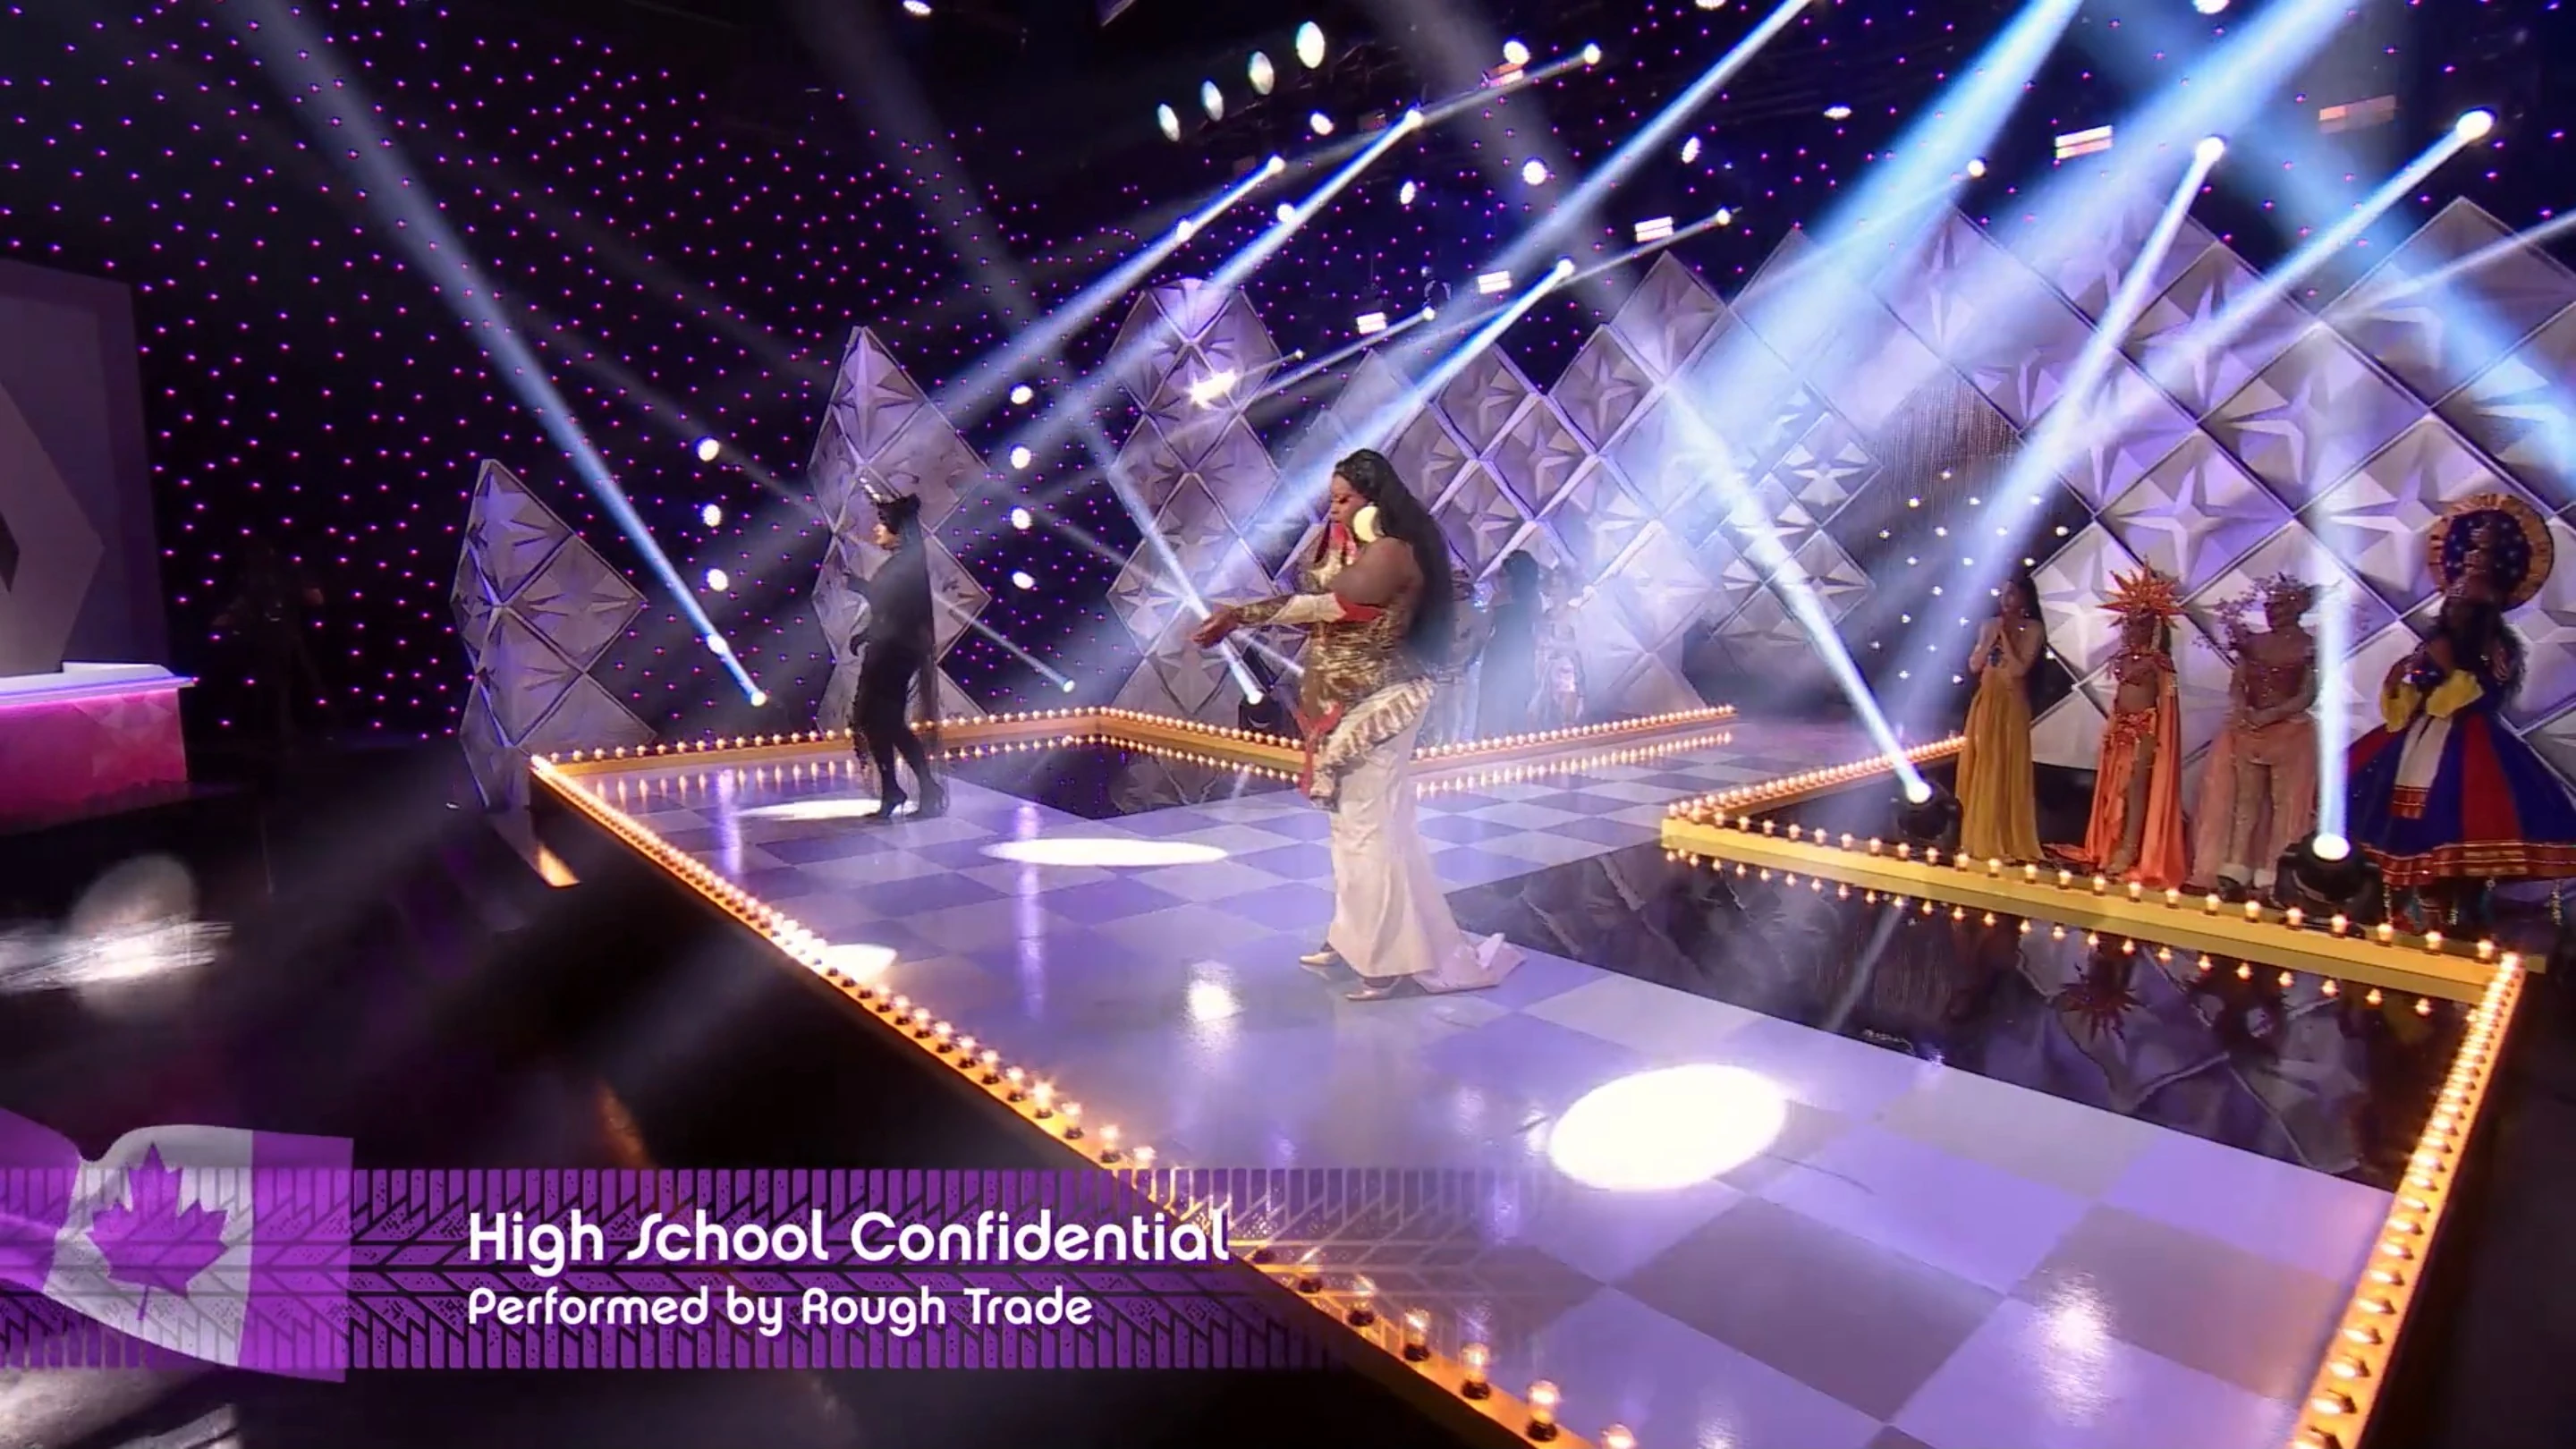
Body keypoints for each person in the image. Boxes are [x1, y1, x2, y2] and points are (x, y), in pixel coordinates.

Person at [1193, 449, 1520, 1001]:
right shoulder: (1352, 544)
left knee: (1370, 833)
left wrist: (1243, 614)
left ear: (1375, 501)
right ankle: (1355, 942)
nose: (1334, 510)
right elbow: (1322, 590)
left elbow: (1333, 603)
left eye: (1345, 500)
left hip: (1381, 705)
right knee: (1357, 833)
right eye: (1332, 500)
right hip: (1342, 705)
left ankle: (1387, 961)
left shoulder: (1393, 551)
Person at [2347, 492, 2576, 930]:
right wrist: (2401, 681)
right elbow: (2408, 701)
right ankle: (2406, 911)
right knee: (2392, 821)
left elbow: (2483, 694)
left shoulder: (2495, 647)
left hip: (2466, 745)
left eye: (2464, 606)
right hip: (2414, 739)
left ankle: (2455, 917)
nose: (2453, 610)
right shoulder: (2432, 643)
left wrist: (2451, 668)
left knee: (2455, 825)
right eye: (2451, 604)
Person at [2191, 575, 2318, 896]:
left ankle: (2275, 872)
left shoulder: (2309, 646)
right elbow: (2238, 683)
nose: (2272, 612)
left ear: (2297, 608)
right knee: (2245, 802)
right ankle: (2235, 867)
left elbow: (2308, 693)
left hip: (2289, 733)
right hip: (2249, 729)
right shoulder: (2254, 643)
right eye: (2269, 606)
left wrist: (2272, 715)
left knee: (2284, 804)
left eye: (2280, 606)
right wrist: (2245, 710)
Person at [2063, 566, 2188, 887]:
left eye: (2139, 624)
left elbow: (2169, 705)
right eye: (2129, 623)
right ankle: (2110, 846)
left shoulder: (2161, 665)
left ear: (2154, 627)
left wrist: (2155, 738)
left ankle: (2130, 850)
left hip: (2145, 733)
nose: (2132, 630)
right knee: (2114, 788)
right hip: (2120, 731)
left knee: (2135, 789)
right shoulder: (2124, 658)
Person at [852, 493, 945, 820]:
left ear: (898, 529)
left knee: (882, 720)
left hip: (897, 651)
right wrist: (866, 633)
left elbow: (895, 607)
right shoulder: (901, 562)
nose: (876, 529)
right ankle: (898, 789)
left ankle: (917, 788)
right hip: (887, 647)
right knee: (876, 720)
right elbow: (889, 611)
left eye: (883, 523)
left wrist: (862, 588)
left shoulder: (907, 564)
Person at [1956, 573, 2044, 863]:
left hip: (2012, 705)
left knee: (2004, 766)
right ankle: (1976, 834)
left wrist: (2006, 636)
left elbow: (2018, 669)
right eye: (2003, 593)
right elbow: (1974, 664)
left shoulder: (2033, 629)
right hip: (1987, 702)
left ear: (2025, 598)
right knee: (1983, 763)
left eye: (2012, 594)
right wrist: (1990, 638)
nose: (2005, 600)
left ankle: (2003, 838)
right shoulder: (1988, 624)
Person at [213, 535, 327, 750]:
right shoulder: (252, 579)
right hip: (265, 639)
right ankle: (279, 732)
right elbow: (243, 604)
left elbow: (315, 599)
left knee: (297, 681)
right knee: (275, 685)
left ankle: (306, 727)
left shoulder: (288, 575)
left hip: (286, 636)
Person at [1478, 552, 1542, 737]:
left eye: (1504, 575)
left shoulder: (1532, 599)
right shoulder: (1497, 598)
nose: (1500, 580)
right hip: (1497, 656)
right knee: (1493, 703)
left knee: (1518, 704)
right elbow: (1484, 630)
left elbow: (1537, 629)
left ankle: (1515, 741)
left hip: (1521, 655)